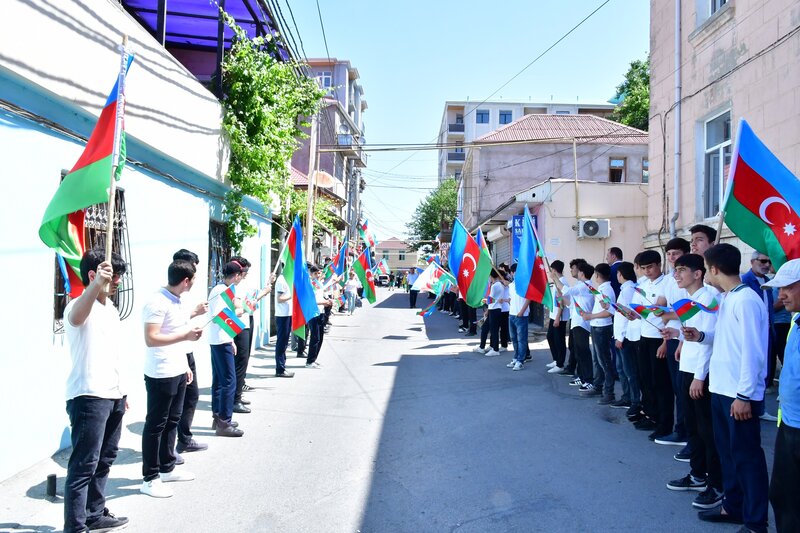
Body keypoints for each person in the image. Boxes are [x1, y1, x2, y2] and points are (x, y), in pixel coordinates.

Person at [690, 244, 769, 532]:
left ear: (713, 269)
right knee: (728, 454)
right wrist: (700, 335)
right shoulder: (726, 298)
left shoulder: (746, 300)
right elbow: (724, 340)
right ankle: (733, 507)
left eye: (705, 270)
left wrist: (745, 395)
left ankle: (755, 520)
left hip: (739, 394)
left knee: (747, 458)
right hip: (721, 390)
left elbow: (753, 352)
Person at [63, 250, 129, 533]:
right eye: (113, 277)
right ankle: (76, 526)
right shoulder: (77, 305)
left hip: (113, 395)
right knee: (84, 465)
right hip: (89, 396)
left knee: (105, 459)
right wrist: (93, 287)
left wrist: (122, 393)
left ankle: (94, 513)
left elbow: (112, 355)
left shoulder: (111, 310)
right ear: (94, 275)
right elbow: (77, 319)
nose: (116, 282)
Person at [661, 254, 723, 510]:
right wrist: (679, 338)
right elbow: (694, 333)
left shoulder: (709, 298)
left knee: (707, 431)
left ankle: (716, 484)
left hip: (700, 373)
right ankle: (697, 474)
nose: (676, 275)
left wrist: (699, 377)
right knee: (693, 427)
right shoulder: (690, 300)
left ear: (699, 273)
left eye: (682, 270)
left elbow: (710, 340)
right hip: (687, 365)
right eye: (675, 270)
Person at [140, 259, 202, 498]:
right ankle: (150, 477)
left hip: (177, 369)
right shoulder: (157, 301)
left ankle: (167, 467)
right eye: (193, 279)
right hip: (161, 372)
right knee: (156, 424)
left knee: (172, 420)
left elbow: (176, 334)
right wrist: (186, 334)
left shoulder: (177, 301)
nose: (193, 283)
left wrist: (185, 364)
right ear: (186, 280)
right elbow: (151, 338)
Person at [763, 258, 800, 533]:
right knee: (782, 495)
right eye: (779, 287)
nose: (781, 294)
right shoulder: (796, 320)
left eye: (788, 287)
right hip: (788, 422)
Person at [171, 249, 209, 457]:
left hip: (186, 350)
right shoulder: (169, 295)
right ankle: (168, 450)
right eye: (194, 266)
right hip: (176, 353)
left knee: (191, 397)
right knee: (174, 405)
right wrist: (195, 312)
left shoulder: (183, 293)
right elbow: (172, 325)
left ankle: (184, 438)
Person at [634, 249, 674, 442]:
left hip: (660, 338)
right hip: (644, 336)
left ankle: (664, 423)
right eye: (643, 268)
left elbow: (662, 310)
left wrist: (665, 343)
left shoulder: (667, 282)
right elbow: (638, 310)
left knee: (661, 383)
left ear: (659, 265)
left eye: (650, 267)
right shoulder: (642, 284)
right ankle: (650, 415)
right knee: (646, 379)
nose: (647, 271)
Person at [656, 237, 691, 447]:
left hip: (685, 338)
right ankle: (680, 429)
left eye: (676, 253)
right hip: (670, 337)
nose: (671, 258)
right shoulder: (670, 279)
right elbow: (660, 306)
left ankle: (685, 432)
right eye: (669, 254)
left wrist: (668, 314)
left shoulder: (689, 279)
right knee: (676, 388)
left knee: (685, 389)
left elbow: (689, 310)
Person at [207, 261, 245, 437]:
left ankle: (219, 417)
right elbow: (218, 316)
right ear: (236, 275)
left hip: (222, 339)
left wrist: (232, 340)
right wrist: (239, 312)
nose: (241, 278)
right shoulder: (222, 290)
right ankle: (224, 422)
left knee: (220, 381)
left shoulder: (223, 289)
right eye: (241, 275)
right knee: (229, 381)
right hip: (220, 340)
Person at [552, 261, 595, 392]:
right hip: (577, 322)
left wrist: (554, 278)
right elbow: (571, 303)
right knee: (578, 351)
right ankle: (582, 377)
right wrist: (561, 299)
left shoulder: (585, 285)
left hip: (582, 324)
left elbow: (567, 290)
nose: (573, 271)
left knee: (583, 352)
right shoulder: (581, 285)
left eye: (576, 270)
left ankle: (589, 380)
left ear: (582, 273)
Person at [579, 263, 617, 404]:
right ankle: (598, 386)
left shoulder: (606, 289)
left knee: (604, 361)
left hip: (602, 327)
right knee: (597, 360)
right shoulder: (602, 289)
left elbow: (609, 312)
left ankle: (609, 392)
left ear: (597, 274)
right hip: (596, 327)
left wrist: (591, 316)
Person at [613, 261, 640, 412]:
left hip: (625, 337)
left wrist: (621, 337)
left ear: (621, 274)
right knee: (622, 369)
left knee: (629, 371)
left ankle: (633, 399)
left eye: (617, 273)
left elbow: (627, 315)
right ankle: (627, 396)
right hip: (620, 335)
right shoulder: (626, 289)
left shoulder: (628, 290)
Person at [306, 265, 332, 369]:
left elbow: (323, 295)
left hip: (320, 312)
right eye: (315, 273)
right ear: (311, 274)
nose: (317, 275)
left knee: (320, 337)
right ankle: (309, 361)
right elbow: (312, 301)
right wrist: (324, 302)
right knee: (315, 337)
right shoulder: (310, 285)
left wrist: (328, 301)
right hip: (313, 313)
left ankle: (314, 359)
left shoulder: (319, 284)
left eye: (319, 273)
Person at [546, 260, 569, 373]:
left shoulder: (562, 282)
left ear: (554, 271)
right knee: (550, 337)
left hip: (559, 316)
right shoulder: (556, 281)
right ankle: (556, 359)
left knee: (559, 340)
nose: (549, 273)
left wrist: (558, 317)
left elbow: (562, 301)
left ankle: (560, 364)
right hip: (553, 314)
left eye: (551, 270)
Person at [506, 264, 530, 371]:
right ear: (512, 273)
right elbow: (511, 299)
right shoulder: (511, 285)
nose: (516, 274)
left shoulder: (525, 284)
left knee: (522, 339)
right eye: (514, 272)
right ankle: (515, 357)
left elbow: (529, 299)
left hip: (521, 315)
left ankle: (521, 360)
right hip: (512, 314)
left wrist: (522, 311)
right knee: (514, 339)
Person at [473, 270, 502, 357]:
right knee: (486, 328)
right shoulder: (499, 284)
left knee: (493, 330)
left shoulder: (495, 285)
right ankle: (483, 347)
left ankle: (495, 349)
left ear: (491, 276)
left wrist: (485, 301)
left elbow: (491, 299)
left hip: (494, 309)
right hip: (494, 309)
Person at [273, 272, 295, 378]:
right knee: (282, 342)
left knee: (285, 342)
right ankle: (280, 369)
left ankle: (282, 366)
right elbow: (279, 299)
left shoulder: (288, 278)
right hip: (282, 315)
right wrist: (292, 295)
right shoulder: (281, 280)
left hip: (288, 314)